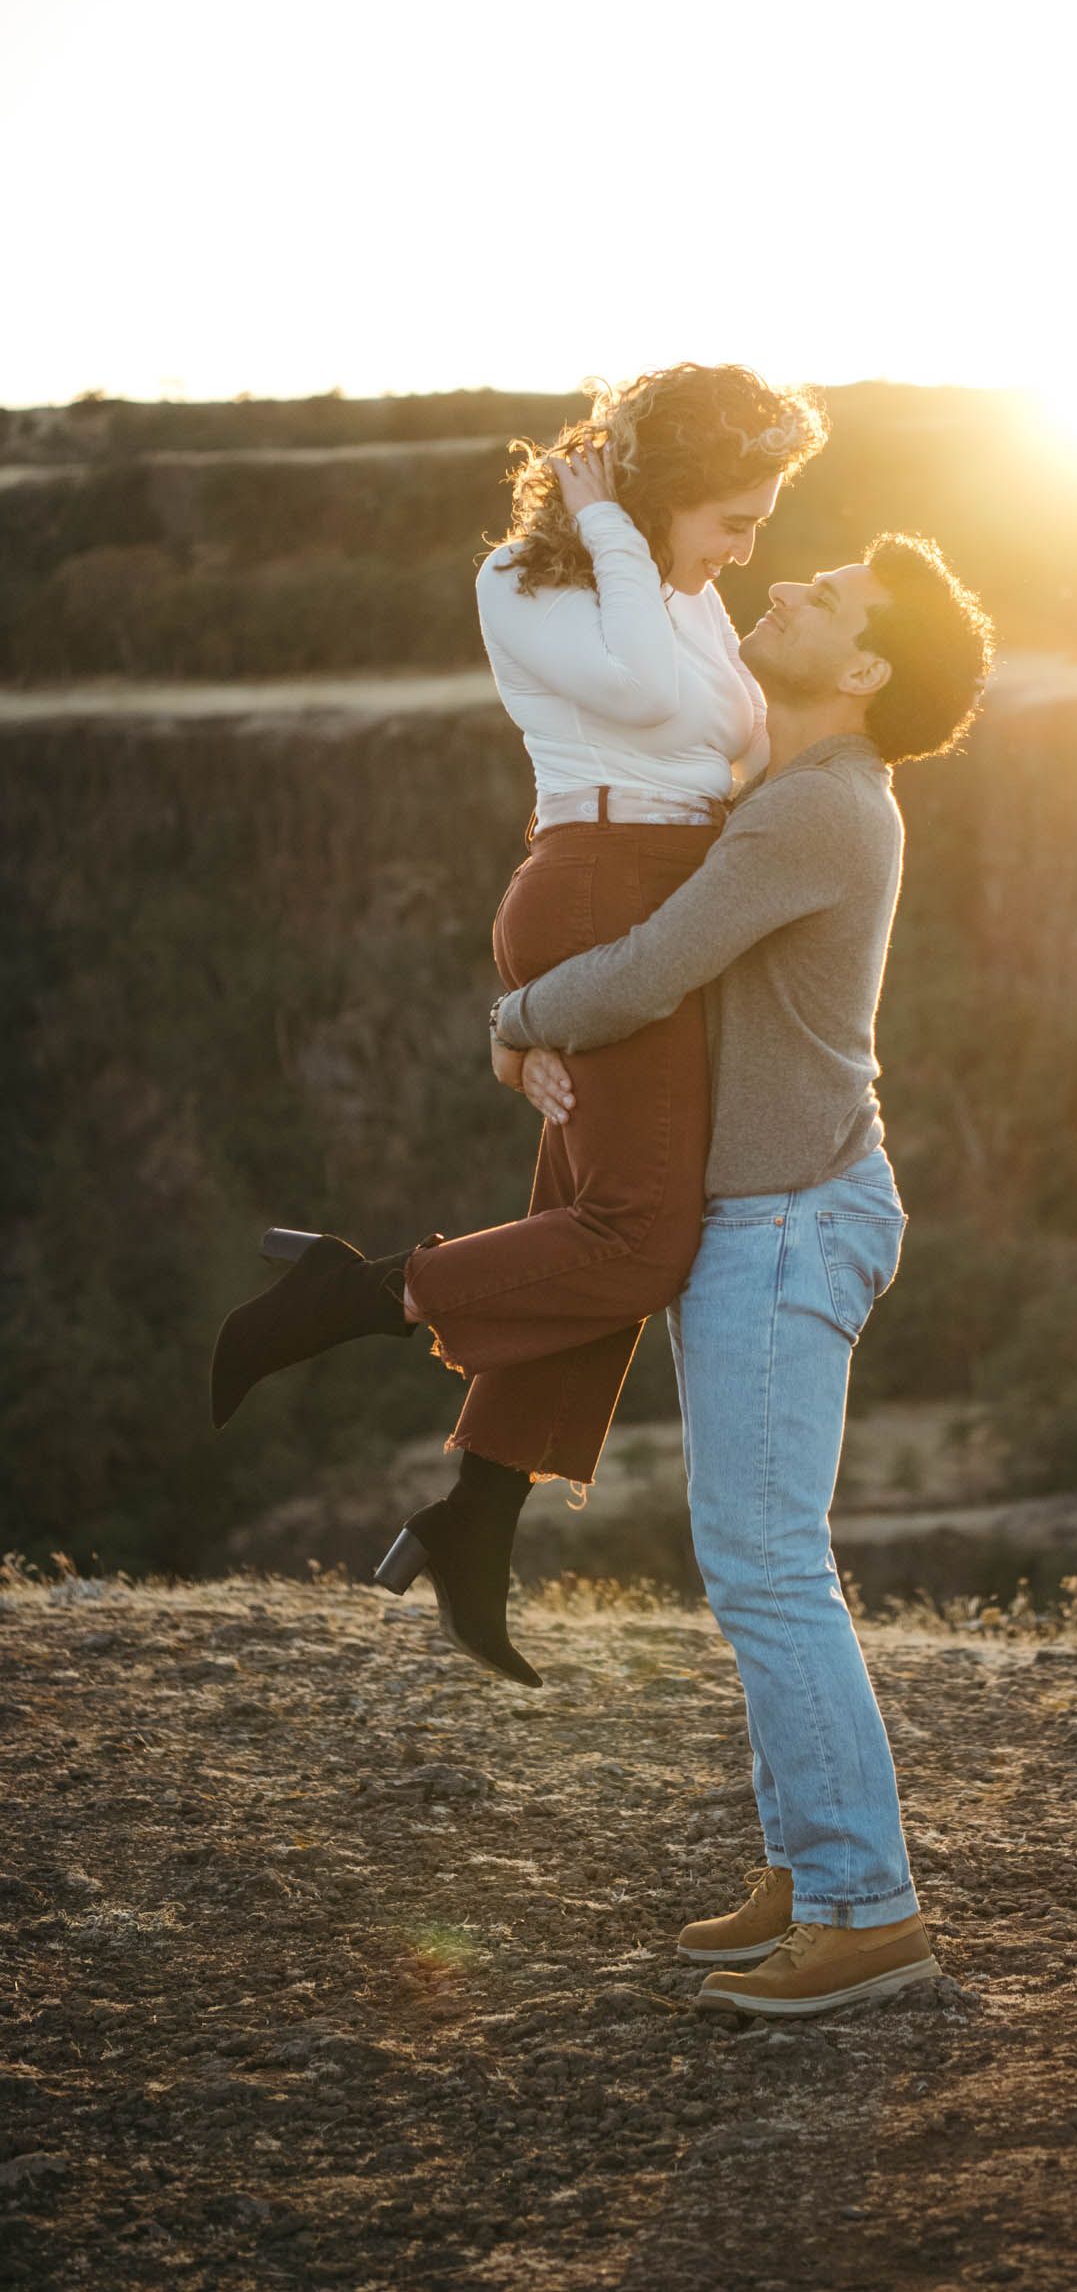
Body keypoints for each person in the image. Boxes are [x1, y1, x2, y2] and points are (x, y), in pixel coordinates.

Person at [208, 363, 827, 1686]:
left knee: (582, 1228)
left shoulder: (681, 591)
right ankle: (355, 1291)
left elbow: (738, 733)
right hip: (606, 887)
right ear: (655, 498)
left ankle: (473, 1522)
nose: (745, 548)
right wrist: (615, 533)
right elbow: (670, 711)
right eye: (733, 517)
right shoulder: (528, 579)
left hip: (660, 893)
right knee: (636, 1241)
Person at [491, 530, 994, 2019]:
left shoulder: (821, 812)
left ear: (867, 669)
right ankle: (804, 1863)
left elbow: (654, 966)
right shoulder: (799, 784)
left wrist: (515, 1015)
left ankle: (866, 1908)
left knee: (768, 1568)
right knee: (761, 1561)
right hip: (781, 1208)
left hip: (785, 1223)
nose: (789, 584)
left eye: (827, 593)